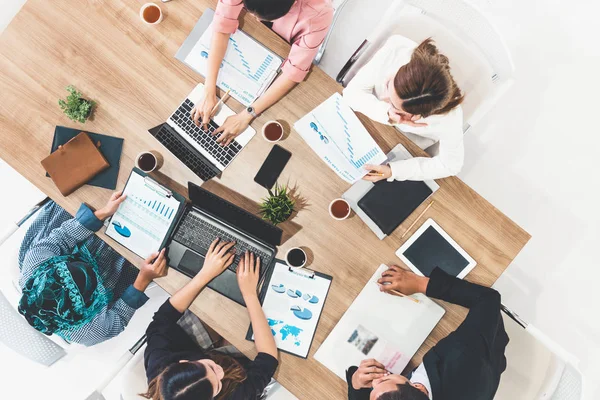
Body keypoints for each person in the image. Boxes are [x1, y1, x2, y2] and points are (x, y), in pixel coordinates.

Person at [18, 193, 168, 346]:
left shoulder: (35, 266)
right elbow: (119, 317)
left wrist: (103, 212)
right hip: (113, 273)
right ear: (91, 303)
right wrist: (144, 277)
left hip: (72, 246)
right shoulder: (93, 331)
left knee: (92, 197)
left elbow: (62, 236)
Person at [142, 240, 278, 400]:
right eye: (217, 385)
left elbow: (163, 318)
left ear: (183, 362)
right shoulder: (235, 397)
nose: (219, 372)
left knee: (214, 302)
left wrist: (206, 273)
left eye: (210, 368)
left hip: (189, 343)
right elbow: (268, 358)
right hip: (239, 364)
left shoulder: (159, 368)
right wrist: (249, 293)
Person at [347, 266, 509, 400]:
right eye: (385, 379)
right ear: (415, 386)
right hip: (481, 353)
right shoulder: (463, 354)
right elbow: (488, 299)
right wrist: (420, 284)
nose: (374, 383)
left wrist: (356, 383)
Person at [191, 0, 334, 146]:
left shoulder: (320, 12)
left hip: (275, 52)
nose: (256, 19)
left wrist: (246, 115)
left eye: (262, 17)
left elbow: (293, 72)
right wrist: (208, 90)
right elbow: (223, 23)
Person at [343, 36, 465, 182]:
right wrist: (386, 112)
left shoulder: (450, 119)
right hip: (365, 121)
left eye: (393, 104)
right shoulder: (397, 49)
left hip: (401, 144)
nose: (383, 98)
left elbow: (450, 166)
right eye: (389, 84)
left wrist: (393, 171)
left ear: (415, 116)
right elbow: (351, 93)